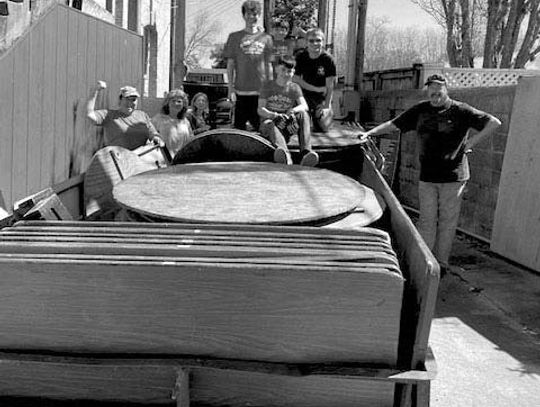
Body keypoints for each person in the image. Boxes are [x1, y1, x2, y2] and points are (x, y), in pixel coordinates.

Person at [359, 74, 501, 273]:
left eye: (439, 92)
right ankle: (426, 264)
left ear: (446, 90)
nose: (435, 96)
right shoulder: (421, 110)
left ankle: (441, 263)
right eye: (431, 92)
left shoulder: (461, 110)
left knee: (447, 222)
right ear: (428, 91)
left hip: (454, 177)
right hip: (427, 176)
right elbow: (395, 124)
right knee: (426, 221)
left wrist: (469, 144)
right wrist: (371, 133)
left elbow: (494, 122)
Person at [258, 55, 319, 167]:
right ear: (276, 69)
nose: (286, 74)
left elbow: (304, 105)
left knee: (303, 114)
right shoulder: (267, 86)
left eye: (289, 71)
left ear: (293, 72)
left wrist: (292, 111)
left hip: (286, 125)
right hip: (270, 124)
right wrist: (273, 115)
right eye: (283, 70)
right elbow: (260, 109)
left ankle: (306, 152)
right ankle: (285, 155)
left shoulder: (294, 88)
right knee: (270, 124)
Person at [223, 0, 273, 131]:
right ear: (244, 15)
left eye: (255, 14)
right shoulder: (234, 37)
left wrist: (271, 88)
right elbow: (230, 65)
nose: (252, 17)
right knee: (239, 131)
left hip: (260, 93)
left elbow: (269, 65)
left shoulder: (267, 38)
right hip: (241, 92)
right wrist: (230, 89)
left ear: (259, 15)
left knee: (262, 130)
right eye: (249, 14)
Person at [86, 81, 164, 150]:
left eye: (133, 99)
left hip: (140, 161)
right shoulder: (109, 115)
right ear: (120, 100)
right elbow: (89, 116)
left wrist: (156, 138)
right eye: (127, 99)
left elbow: (153, 133)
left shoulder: (142, 115)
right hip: (117, 161)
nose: (130, 103)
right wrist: (95, 90)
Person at [293, 27, 336, 133]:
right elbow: (295, 79)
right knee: (297, 126)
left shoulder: (328, 59)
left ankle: (319, 119)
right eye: (311, 41)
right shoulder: (301, 57)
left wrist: (326, 106)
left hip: (320, 98)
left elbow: (330, 86)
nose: (315, 43)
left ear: (323, 42)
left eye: (318, 40)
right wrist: (316, 89)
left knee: (324, 128)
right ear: (306, 42)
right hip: (303, 96)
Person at [151, 88, 194, 158]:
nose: (176, 103)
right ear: (167, 103)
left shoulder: (185, 122)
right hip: (163, 160)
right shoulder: (158, 119)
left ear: (184, 105)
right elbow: (149, 138)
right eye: (173, 101)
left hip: (181, 160)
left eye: (179, 101)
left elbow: (190, 141)